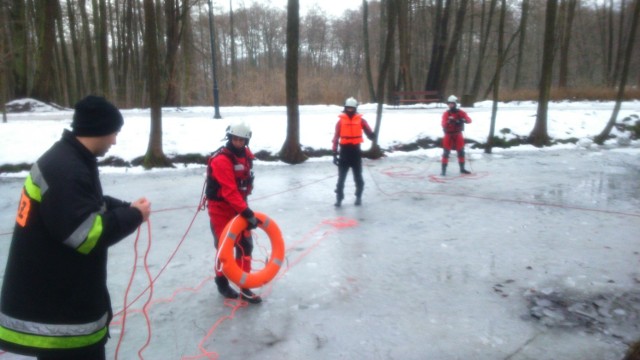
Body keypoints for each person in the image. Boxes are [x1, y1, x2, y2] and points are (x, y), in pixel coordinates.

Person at [0, 95, 151, 360]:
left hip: (60, 300)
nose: (114, 141)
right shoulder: (67, 169)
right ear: (99, 130)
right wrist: (133, 217)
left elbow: (85, 205)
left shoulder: (68, 158)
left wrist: (126, 208)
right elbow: (85, 234)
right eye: (114, 133)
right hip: (60, 313)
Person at [205, 121, 262, 304]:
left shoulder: (246, 156)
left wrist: (244, 209)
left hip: (238, 206)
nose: (238, 143)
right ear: (229, 138)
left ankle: (244, 286)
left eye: (241, 140)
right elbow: (229, 191)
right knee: (224, 249)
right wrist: (247, 213)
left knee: (246, 245)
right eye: (235, 139)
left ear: (246, 141)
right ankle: (221, 282)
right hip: (220, 209)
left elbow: (243, 185)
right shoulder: (221, 160)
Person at [332, 97, 375, 207]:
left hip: (356, 152)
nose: (350, 110)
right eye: (348, 108)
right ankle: (339, 198)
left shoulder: (361, 120)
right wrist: (334, 153)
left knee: (358, 177)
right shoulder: (340, 122)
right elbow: (336, 138)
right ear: (345, 108)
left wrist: (371, 136)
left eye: (352, 108)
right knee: (341, 179)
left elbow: (368, 131)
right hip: (344, 153)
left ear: (355, 109)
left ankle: (358, 196)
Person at [440, 95, 472, 176]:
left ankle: (462, 169)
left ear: (455, 104)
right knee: (446, 153)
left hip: (458, 134)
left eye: (452, 104)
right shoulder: (446, 114)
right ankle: (443, 170)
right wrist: (448, 122)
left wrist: (462, 120)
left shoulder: (461, 112)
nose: (450, 105)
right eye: (449, 104)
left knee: (461, 152)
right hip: (448, 135)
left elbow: (469, 120)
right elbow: (443, 124)